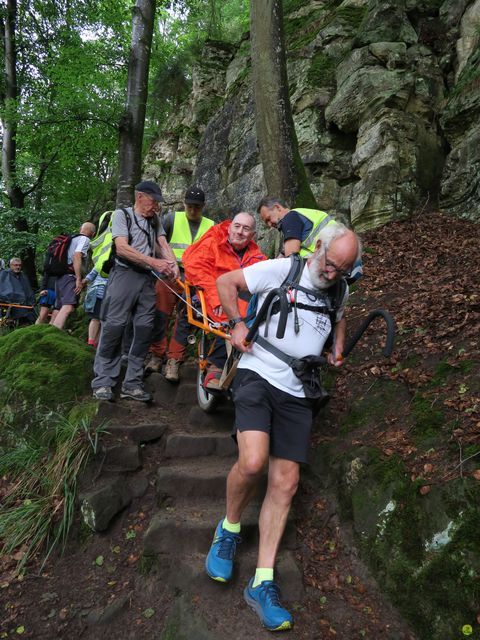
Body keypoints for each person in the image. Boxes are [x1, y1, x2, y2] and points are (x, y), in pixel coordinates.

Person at [204, 221, 361, 631]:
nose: (333, 274)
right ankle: (229, 529)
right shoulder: (281, 269)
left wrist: (337, 346)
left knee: (286, 482)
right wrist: (238, 324)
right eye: (330, 264)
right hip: (259, 373)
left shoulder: (340, 289)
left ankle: (263, 581)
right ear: (318, 249)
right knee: (253, 462)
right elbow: (226, 282)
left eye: (342, 270)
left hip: (300, 390)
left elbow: (339, 318)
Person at [91, 180, 178, 402]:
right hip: (124, 275)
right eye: (153, 201)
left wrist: (172, 265)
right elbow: (122, 248)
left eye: (158, 202)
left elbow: (162, 243)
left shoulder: (155, 219)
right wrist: (155, 263)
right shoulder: (122, 215)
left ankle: (132, 383)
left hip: (147, 280)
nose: (156, 206)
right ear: (140, 197)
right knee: (114, 325)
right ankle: (103, 381)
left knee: (144, 328)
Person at [182, 212, 266, 389]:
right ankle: (217, 365)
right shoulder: (213, 240)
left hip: (241, 297)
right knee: (234, 319)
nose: (240, 232)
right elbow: (195, 267)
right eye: (237, 226)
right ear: (229, 227)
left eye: (246, 229)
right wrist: (217, 297)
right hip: (212, 294)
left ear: (252, 235)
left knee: (261, 318)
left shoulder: (256, 254)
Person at [146, 186, 214, 381]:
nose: (193, 210)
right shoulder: (171, 219)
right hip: (169, 275)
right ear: (184, 204)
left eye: (197, 207)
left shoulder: (211, 226)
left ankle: (174, 360)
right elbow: (158, 243)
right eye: (190, 206)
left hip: (195, 278)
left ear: (203, 207)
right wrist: (167, 264)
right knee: (160, 313)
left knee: (187, 319)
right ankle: (156, 356)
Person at [50, 222, 96, 330]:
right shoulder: (84, 239)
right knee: (68, 307)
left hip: (60, 276)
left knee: (58, 307)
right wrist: (78, 279)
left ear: (81, 229)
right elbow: (77, 255)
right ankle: (54, 334)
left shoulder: (71, 239)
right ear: (93, 234)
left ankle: (49, 332)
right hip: (70, 276)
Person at [0, 258, 36, 325]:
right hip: (12, 305)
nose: (18, 267)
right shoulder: (5, 274)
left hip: (26, 306)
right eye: (15, 265)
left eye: (19, 265)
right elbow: (4, 289)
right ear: (10, 265)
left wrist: (32, 300)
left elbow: (28, 290)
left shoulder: (23, 276)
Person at [83, 267, 109, 348]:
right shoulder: (103, 261)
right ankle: (91, 342)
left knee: (101, 321)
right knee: (96, 319)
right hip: (100, 293)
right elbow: (92, 274)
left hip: (109, 295)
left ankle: (95, 343)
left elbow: (91, 275)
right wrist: (83, 282)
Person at [36, 253, 58, 325]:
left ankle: (52, 331)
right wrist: (42, 289)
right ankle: (36, 330)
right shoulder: (51, 258)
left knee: (57, 312)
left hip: (61, 290)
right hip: (49, 290)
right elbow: (46, 275)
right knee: (43, 314)